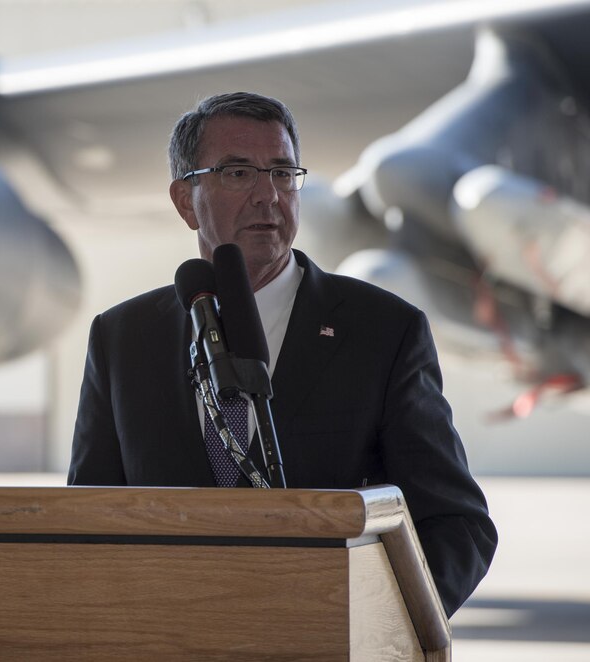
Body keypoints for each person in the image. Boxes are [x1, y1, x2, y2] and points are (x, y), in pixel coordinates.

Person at [67, 92, 497, 617]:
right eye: (238, 173)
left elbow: (457, 525)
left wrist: (371, 626)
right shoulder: (122, 338)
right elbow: (85, 527)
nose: (267, 195)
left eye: (282, 172)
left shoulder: (382, 330)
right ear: (185, 200)